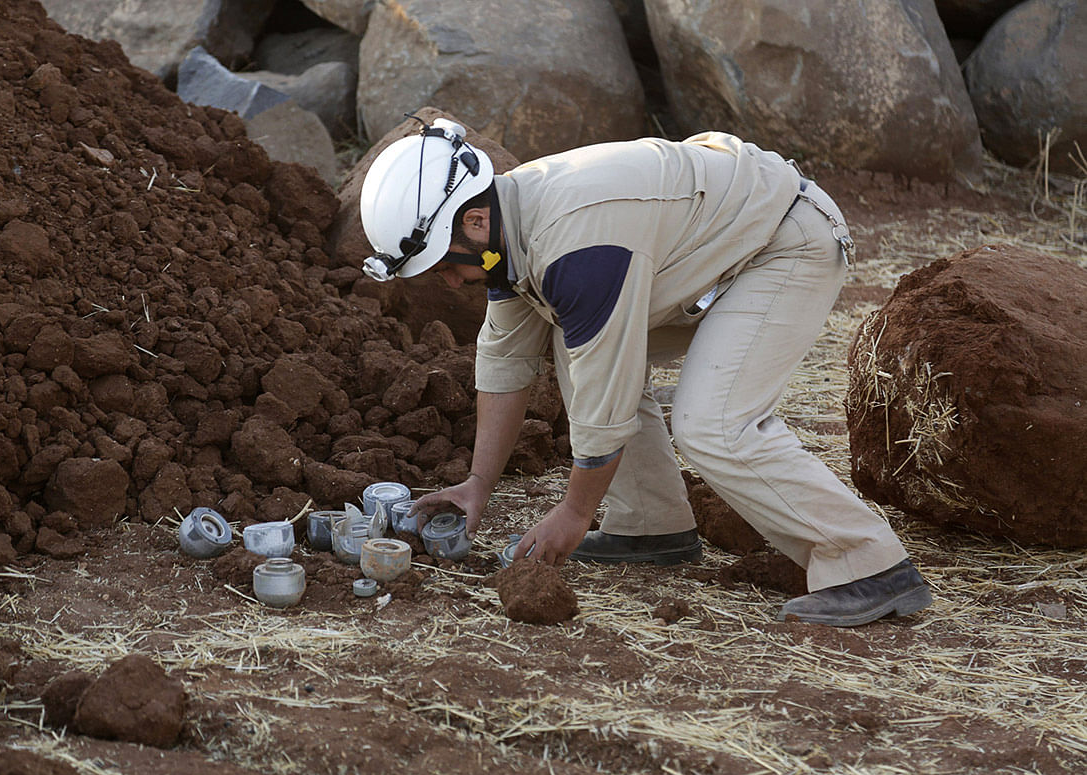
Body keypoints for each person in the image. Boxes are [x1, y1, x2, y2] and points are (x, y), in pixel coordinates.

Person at [358, 116, 933, 627]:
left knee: (713, 424)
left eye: (443, 266)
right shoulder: (509, 230)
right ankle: (651, 526)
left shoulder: (575, 248)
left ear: (475, 220)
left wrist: (575, 513)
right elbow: (505, 359)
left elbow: (603, 397)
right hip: (713, 253)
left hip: (781, 243)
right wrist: (477, 486)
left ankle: (867, 563)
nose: (450, 283)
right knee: (569, 337)